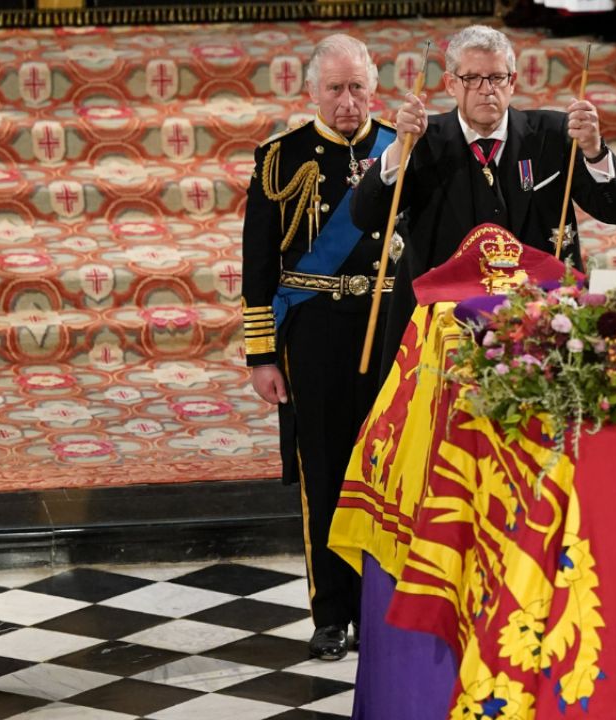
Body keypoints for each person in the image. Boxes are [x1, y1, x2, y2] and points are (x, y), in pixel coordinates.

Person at [350, 23, 616, 382]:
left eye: (497, 78)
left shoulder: (553, 135)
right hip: (443, 321)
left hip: (540, 317)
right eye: (472, 78)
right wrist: (397, 151)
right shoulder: (420, 140)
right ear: (450, 84)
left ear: (513, 81)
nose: (486, 90)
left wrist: (595, 151)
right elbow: (365, 215)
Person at [241, 33, 397, 662]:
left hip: (391, 324)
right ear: (311, 91)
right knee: (326, 469)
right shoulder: (281, 157)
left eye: (357, 87)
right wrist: (261, 354)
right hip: (317, 331)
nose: (347, 102)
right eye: (334, 89)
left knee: (392, 467)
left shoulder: (404, 150)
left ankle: (386, 611)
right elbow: (257, 264)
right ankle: (332, 612)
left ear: (374, 86)